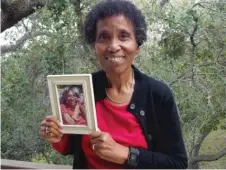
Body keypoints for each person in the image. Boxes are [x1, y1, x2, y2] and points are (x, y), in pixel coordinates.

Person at [40, 0, 188, 169]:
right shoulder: (82, 89)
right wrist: (56, 135)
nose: (113, 46)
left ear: (137, 45)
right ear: (95, 45)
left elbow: (177, 163)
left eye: (124, 36)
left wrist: (125, 154)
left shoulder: (158, 95)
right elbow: (71, 147)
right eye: (104, 37)